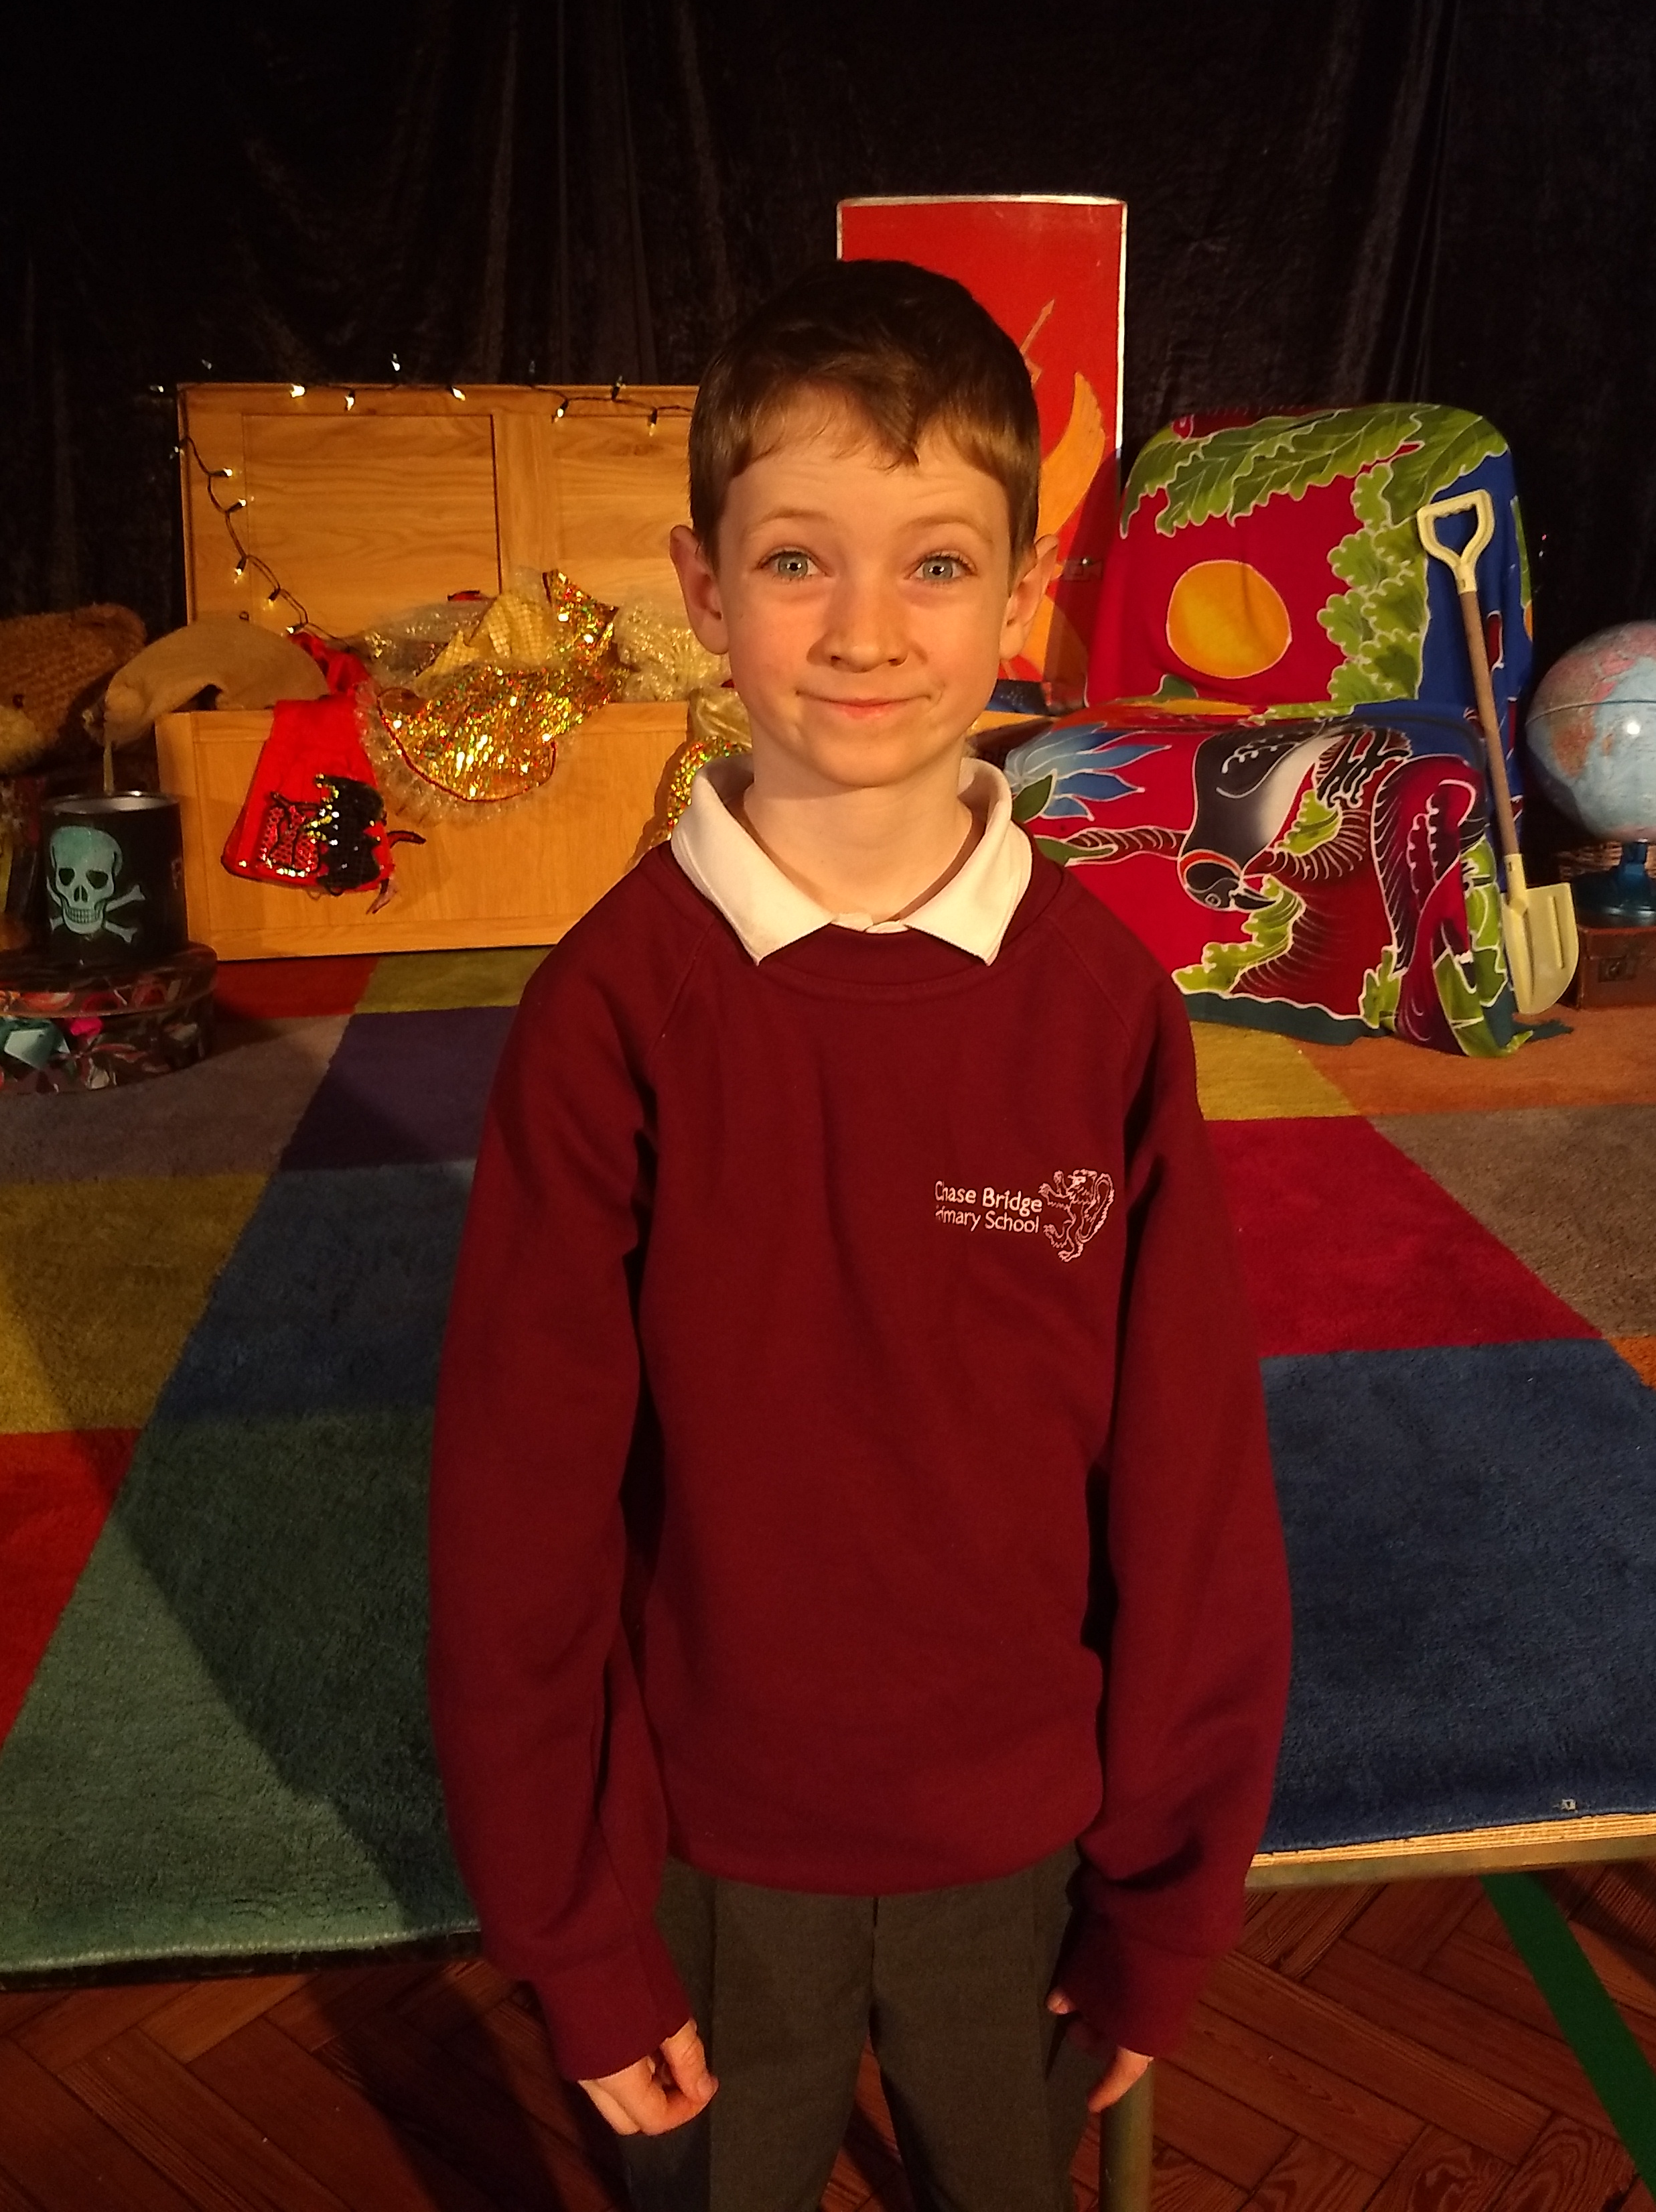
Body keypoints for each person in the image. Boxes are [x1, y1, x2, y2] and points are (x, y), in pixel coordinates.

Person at [428, 259, 1291, 2212]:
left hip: (1031, 1856)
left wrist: (1167, 1900)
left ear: (1024, 592)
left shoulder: (1103, 1006)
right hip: (709, 1863)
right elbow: (517, 1513)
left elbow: (1192, 1486)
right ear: (702, 584)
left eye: (936, 564)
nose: (867, 631)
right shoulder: (611, 1013)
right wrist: (575, 1932)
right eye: (799, 559)